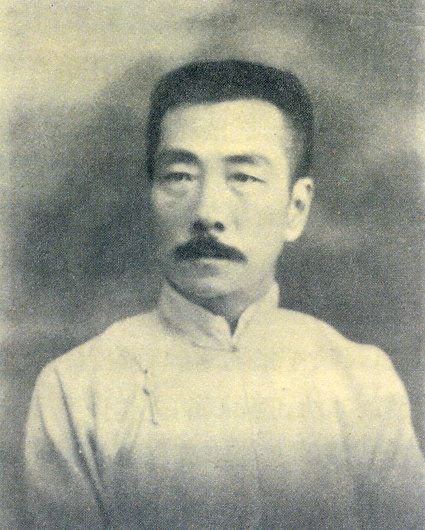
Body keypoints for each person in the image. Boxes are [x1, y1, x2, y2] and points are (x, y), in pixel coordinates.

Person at [25, 60, 424, 529]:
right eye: (180, 176)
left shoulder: (362, 382)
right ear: (151, 194)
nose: (207, 213)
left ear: (296, 208)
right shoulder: (77, 389)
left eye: (244, 177)